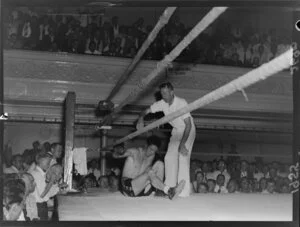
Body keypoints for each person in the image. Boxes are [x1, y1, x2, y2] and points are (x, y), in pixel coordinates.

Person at [137, 82, 196, 197]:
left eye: (165, 93)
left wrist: (182, 144)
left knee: (182, 156)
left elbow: (188, 125)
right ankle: (169, 189)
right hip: (176, 130)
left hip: (188, 130)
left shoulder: (181, 102)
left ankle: (183, 192)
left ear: (172, 92)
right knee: (169, 157)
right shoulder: (162, 104)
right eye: (162, 93)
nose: (163, 95)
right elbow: (146, 110)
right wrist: (140, 119)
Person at [112, 135, 185, 200]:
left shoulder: (152, 156)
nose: (152, 152)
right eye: (151, 149)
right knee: (149, 172)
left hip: (139, 189)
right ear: (146, 145)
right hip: (128, 188)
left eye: (154, 151)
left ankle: (159, 192)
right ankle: (169, 191)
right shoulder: (134, 152)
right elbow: (116, 155)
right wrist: (118, 149)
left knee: (160, 164)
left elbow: (150, 175)